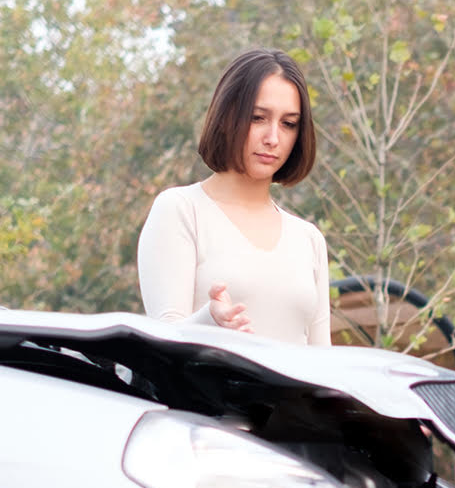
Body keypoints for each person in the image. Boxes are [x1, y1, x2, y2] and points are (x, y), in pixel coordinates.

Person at [138, 49, 331, 346]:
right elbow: (163, 342)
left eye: (288, 123)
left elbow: (324, 363)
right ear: (227, 118)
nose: (273, 138)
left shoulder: (309, 239)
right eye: (258, 118)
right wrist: (209, 320)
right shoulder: (180, 210)